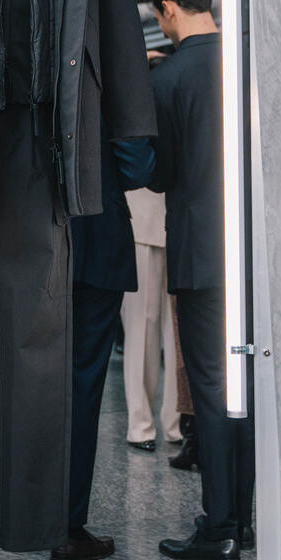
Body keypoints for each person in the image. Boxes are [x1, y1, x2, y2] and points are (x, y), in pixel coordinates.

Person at [148, 0, 255, 560]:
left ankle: (219, 528)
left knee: (211, 390)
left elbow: (159, 174)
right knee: (249, 387)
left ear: (168, 8)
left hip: (201, 254)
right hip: (252, 254)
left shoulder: (168, 79)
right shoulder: (248, 63)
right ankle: (247, 516)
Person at [51, 125, 154, 560]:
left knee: (37, 384)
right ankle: (67, 528)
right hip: (96, 238)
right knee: (83, 384)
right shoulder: (111, 69)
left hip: (33, 237)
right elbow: (137, 167)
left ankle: (30, 519)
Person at [121, 186, 182, 453]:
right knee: (141, 324)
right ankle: (140, 422)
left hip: (182, 214)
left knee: (180, 330)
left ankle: (177, 421)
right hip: (142, 214)